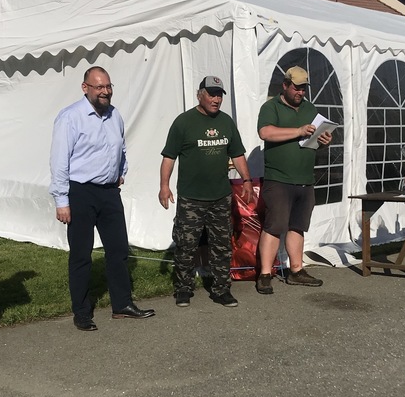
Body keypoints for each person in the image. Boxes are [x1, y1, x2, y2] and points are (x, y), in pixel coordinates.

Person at [49, 66, 155, 331]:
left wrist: (121, 172)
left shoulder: (114, 115)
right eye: (99, 87)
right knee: (81, 255)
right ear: (85, 88)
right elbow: (59, 161)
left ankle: (122, 305)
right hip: (80, 192)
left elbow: (121, 148)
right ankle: (82, 312)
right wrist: (62, 200)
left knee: (118, 250)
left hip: (109, 193)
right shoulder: (70, 117)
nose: (105, 92)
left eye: (108, 86)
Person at [159, 76, 253, 308]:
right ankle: (183, 289)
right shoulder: (183, 122)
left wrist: (247, 180)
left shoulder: (226, 122)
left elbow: (237, 154)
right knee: (186, 245)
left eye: (219, 95)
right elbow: (169, 157)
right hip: (191, 198)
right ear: (199, 94)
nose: (216, 99)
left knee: (221, 246)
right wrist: (164, 186)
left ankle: (222, 289)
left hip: (220, 197)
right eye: (211, 94)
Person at [256, 66, 333, 295]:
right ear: (285, 85)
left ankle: (296, 270)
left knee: (298, 226)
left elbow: (314, 140)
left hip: (305, 179)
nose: (300, 92)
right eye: (296, 88)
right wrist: (298, 131)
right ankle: (265, 274)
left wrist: (324, 139)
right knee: (274, 226)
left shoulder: (310, 108)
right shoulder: (271, 107)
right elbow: (265, 133)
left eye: (303, 88)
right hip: (279, 179)